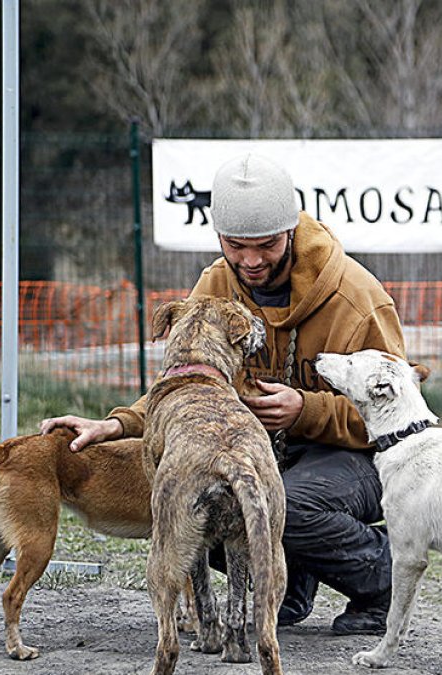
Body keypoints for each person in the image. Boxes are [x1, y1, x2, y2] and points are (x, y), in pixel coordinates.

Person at [40, 153, 406, 635]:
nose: (251, 261)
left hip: (355, 456)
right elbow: (188, 383)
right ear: (219, 237)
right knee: (198, 499)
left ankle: (384, 583)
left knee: (286, 504)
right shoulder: (215, 284)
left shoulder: (356, 297)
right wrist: (118, 424)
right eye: (236, 246)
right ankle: (290, 583)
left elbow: (397, 410)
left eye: (267, 245)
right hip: (258, 451)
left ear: (291, 231)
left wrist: (307, 410)